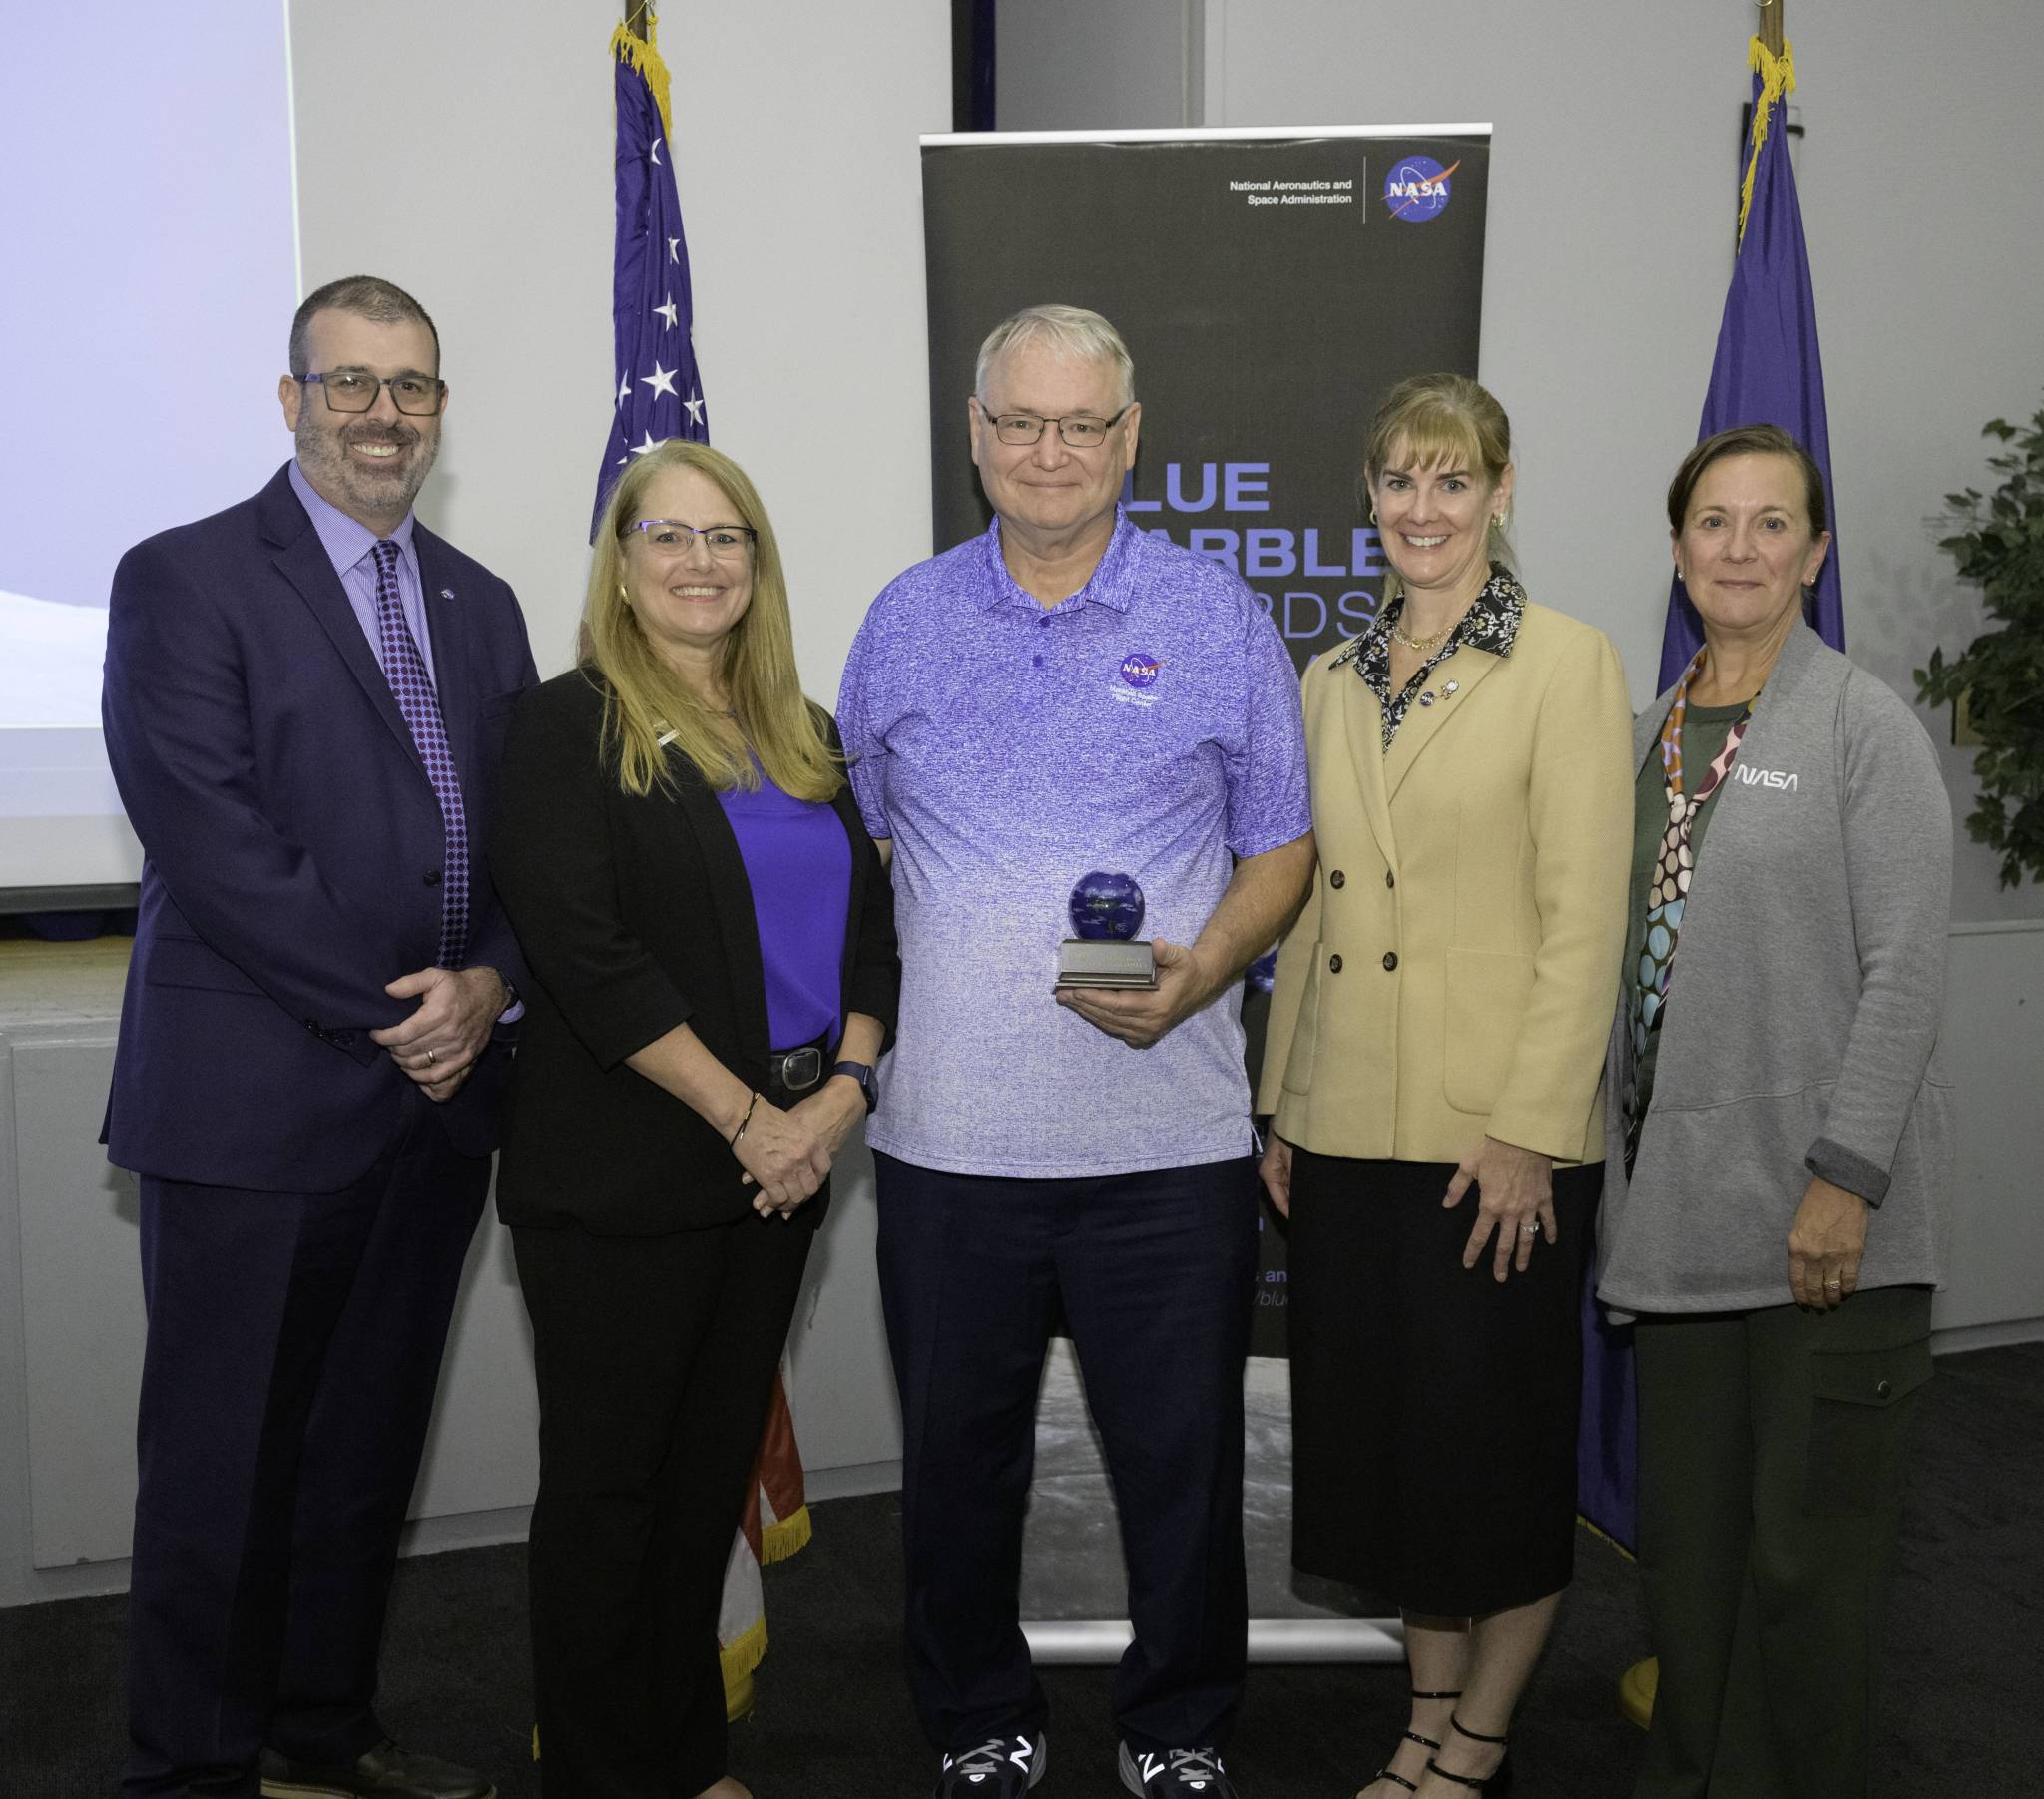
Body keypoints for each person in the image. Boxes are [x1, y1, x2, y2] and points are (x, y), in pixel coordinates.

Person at [837, 304, 1311, 1799]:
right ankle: (974, 1707)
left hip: (1164, 1152)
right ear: (976, 436)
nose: (1052, 453)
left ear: (1130, 438)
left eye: (1083, 426)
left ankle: (1178, 1725)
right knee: (955, 1472)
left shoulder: (1220, 618)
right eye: (1022, 424)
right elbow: (864, 840)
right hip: (950, 1149)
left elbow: (1285, 851)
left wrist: (1206, 972)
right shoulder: (901, 620)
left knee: (1179, 1469)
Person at [102, 275, 537, 1799]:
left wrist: (487, 983)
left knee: (361, 1459)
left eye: (410, 385)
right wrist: (395, 1013)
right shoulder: (186, 576)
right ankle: (195, 1768)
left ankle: (317, 1730)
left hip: (435, 1106)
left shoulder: (481, 602)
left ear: (437, 410)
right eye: (349, 382)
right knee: (224, 1468)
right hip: (254, 1108)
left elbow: (524, 840)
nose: (382, 413)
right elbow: (211, 840)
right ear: (291, 401)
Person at [489, 439, 898, 1799]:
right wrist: (751, 1120)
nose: (699, 561)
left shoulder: (808, 735)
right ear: (620, 560)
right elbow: (587, 952)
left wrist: (837, 1101)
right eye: (667, 536)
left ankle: (682, 1755)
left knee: (701, 1484)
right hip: (626, 1173)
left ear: (759, 566)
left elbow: (873, 944)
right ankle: (605, 1776)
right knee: (611, 1499)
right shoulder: (564, 728)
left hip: (782, 1173)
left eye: (727, 538)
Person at [1257, 373, 1632, 1798]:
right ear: (1370, 498)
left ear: (1501, 492)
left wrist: (1535, 1129)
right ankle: (1422, 1716)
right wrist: (1283, 1107)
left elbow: (1584, 919)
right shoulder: (1331, 677)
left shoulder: (1567, 662)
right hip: (1351, 1130)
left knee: (1494, 1461)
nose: (1425, 509)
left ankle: (1480, 1738)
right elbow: (1308, 913)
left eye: (1453, 481)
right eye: (1401, 482)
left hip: (1495, 1142)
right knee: (1393, 1461)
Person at [1598, 424, 1952, 1798]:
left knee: (1808, 1578)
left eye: (1770, 524)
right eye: (1713, 523)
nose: (1738, 549)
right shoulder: (1644, 739)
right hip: (1679, 1231)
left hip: (1825, 1233)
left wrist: (1844, 1177)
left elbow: (1910, 970)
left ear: (1815, 551)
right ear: (1679, 547)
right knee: (1688, 1570)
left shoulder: (1867, 731)